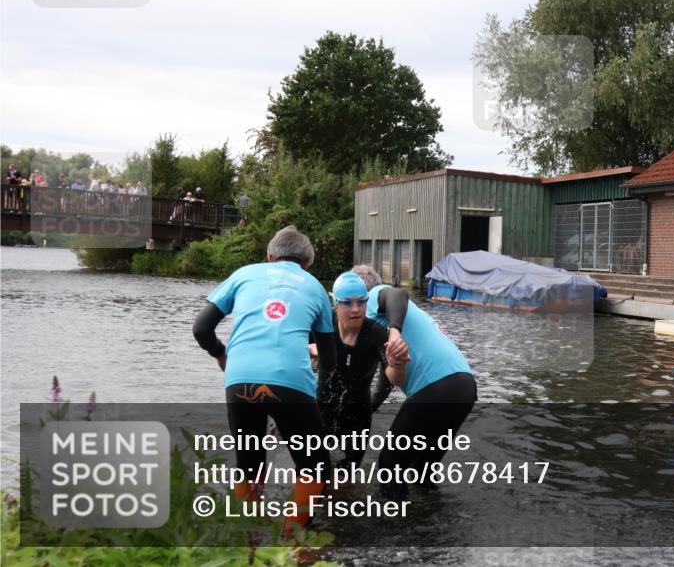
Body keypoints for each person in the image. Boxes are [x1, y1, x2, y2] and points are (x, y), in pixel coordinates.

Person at [192, 226, 336, 535]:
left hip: (239, 378)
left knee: (249, 463)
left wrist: (221, 355)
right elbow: (330, 359)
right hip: (290, 382)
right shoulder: (315, 287)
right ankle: (291, 540)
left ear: (270, 256)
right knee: (316, 466)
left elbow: (201, 329)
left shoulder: (244, 274)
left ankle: (246, 540)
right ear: (307, 262)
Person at [350, 264, 476, 500]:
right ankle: (430, 525)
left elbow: (398, 293)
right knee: (421, 470)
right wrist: (367, 412)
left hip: (436, 388)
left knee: (390, 464)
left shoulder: (378, 294)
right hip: (464, 386)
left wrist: (395, 331)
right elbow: (386, 381)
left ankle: (395, 526)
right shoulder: (385, 322)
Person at [310, 271, 409, 467]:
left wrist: (397, 364)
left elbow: (395, 380)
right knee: (315, 472)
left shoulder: (376, 333)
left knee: (346, 481)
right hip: (321, 410)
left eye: (361, 302)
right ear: (335, 304)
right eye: (347, 303)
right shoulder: (322, 325)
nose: (355, 309)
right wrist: (309, 350)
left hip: (357, 417)